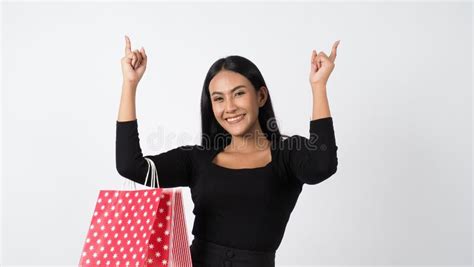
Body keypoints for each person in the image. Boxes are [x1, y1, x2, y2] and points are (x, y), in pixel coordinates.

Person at [116, 35, 340, 267]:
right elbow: (129, 166)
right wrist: (129, 84)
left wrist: (318, 86)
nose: (230, 107)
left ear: (260, 96)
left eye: (239, 93)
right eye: (219, 99)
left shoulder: (287, 155)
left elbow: (322, 166)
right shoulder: (197, 159)